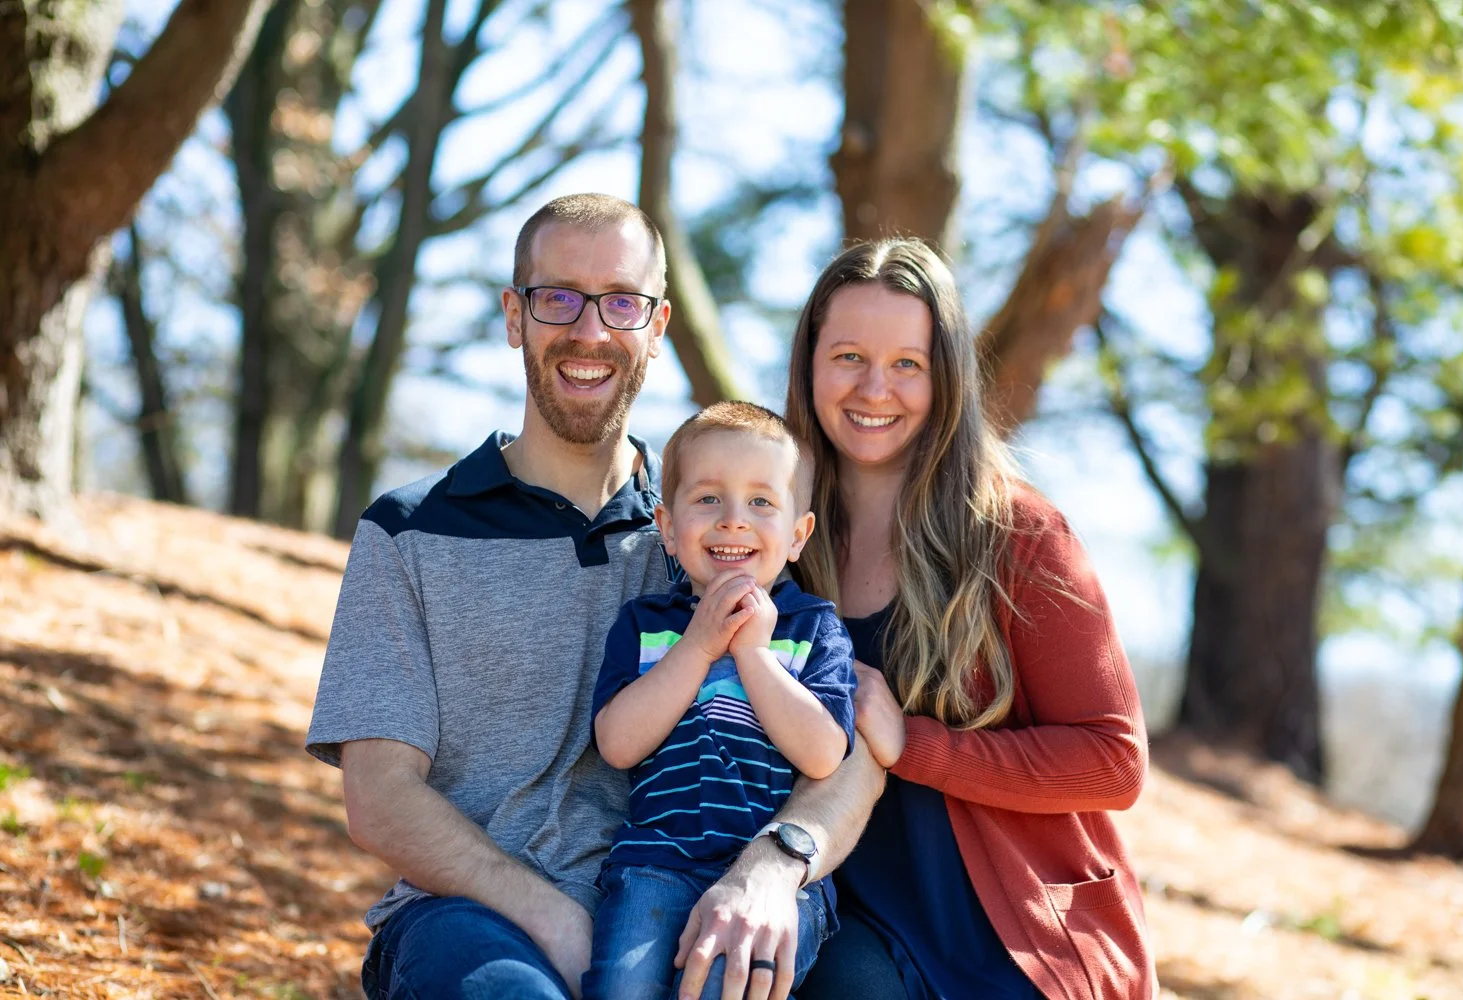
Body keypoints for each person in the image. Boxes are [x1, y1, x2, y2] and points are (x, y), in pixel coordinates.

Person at [305, 193, 885, 1000]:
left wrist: (769, 870)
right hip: (475, 919)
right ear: (515, 316)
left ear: (657, 327)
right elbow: (378, 799)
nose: (589, 330)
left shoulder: (711, 533)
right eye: (557, 298)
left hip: (700, 901)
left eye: (621, 302)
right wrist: (555, 918)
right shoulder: (409, 532)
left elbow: (852, 753)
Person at [784, 238, 1158, 1000]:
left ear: (947, 376)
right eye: (848, 356)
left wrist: (913, 744)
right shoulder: (780, 535)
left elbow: (1113, 761)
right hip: (856, 917)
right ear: (810, 365)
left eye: (908, 364)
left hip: (1014, 934)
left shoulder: (1017, 533)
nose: (874, 388)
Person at [585, 401, 856, 1000]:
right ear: (668, 527)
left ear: (797, 534)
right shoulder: (645, 624)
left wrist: (755, 655)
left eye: (762, 502)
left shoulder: (813, 628)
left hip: (774, 882)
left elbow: (822, 755)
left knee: (718, 991)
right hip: (654, 863)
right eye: (708, 498)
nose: (734, 520)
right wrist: (699, 647)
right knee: (622, 988)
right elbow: (618, 744)